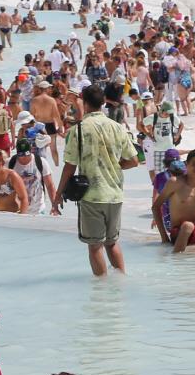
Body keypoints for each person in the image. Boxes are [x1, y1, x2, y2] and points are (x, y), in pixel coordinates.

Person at [58, 82, 142, 276]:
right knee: (111, 243)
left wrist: (57, 194)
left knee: (95, 246)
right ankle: (121, 281)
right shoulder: (117, 128)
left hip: (92, 196)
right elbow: (134, 161)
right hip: (115, 194)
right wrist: (112, 165)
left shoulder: (77, 130)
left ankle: (102, 292)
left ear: (85, 104)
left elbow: (69, 166)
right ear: (103, 103)